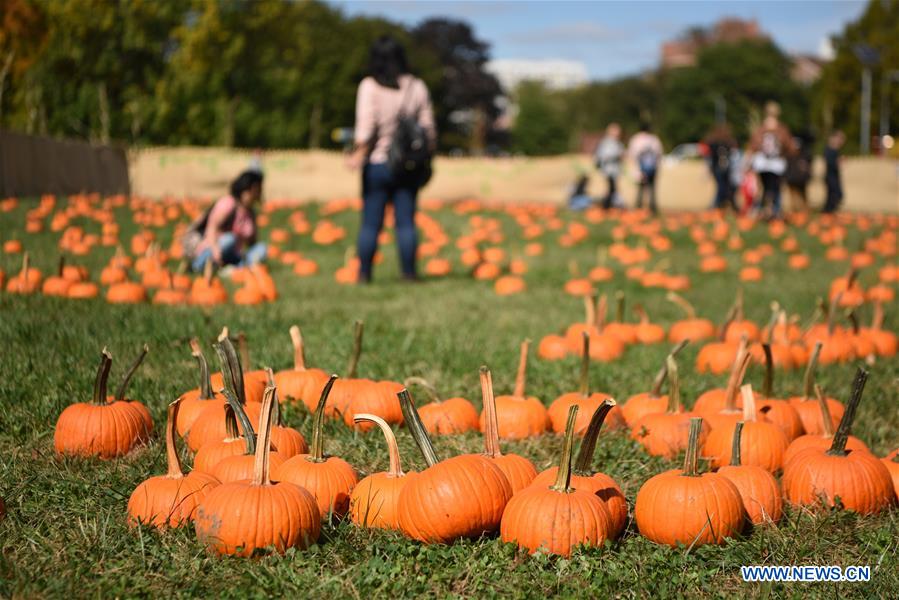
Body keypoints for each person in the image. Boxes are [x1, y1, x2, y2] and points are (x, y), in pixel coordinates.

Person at [346, 35, 435, 283]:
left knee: (371, 224)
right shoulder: (417, 87)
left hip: (377, 164)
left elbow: (366, 129)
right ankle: (409, 274)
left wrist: (357, 155)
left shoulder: (370, 86)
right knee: (406, 223)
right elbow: (428, 129)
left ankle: (364, 274)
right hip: (408, 166)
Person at [188, 170, 266, 272]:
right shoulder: (228, 203)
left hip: (234, 253)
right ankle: (198, 265)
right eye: (257, 188)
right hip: (213, 247)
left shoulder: (250, 212)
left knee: (261, 248)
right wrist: (215, 250)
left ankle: (235, 268)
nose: (260, 192)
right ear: (248, 188)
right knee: (230, 239)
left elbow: (252, 243)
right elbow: (211, 229)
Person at [747, 101, 796, 220]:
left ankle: (760, 210)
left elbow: (752, 146)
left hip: (762, 164)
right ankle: (775, 211)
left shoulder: (760, 129)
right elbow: (790, 147)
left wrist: (747, 163)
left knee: (764, 188)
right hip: (776, 164)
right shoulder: (782, 129)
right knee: (776, 188)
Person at [627, 122, 663, 214]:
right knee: (652, 189)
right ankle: (652, 209)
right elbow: (659, 153)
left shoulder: (636, 139)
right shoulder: (654, 139)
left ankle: (638, 208)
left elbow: (632, 154)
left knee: (641, 189)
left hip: (640, 168)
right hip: (652, 168)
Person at [703, 123, 738, 211]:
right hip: (719, 168)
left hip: (722, 168)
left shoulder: (724, 142)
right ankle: (716, 205)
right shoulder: (716, 143)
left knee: (723, 187)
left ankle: (719, 205)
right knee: (721, 187)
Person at [594, 123, 624, 209]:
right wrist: (617, 155)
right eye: (616, 131)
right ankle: (605, 206)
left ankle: (608, 207)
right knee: (611, 189)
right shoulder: (607, 142)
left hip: (614, 170)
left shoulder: (617, 142)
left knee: (612, 189)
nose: (618, 133)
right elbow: (603, 155)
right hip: (608, 170)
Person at [785, 134, 813, 213]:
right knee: (793, 197)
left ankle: (804, 210)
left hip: (801, 179)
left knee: (803, 196)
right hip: (791, 179)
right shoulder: (788, 156)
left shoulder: (805, 155)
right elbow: (786, 169)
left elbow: (808, 168)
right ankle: (794, 211)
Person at [823, 130, 846, 213]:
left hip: (834, 176)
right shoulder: (829, 149)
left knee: (835, 195)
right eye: (840, 139)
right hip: (830, 176)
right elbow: (830, 163)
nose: (842, 142)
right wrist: (838, 161)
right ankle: (828, 212)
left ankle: (830, 212)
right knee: (834, 195)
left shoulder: (835, 150)